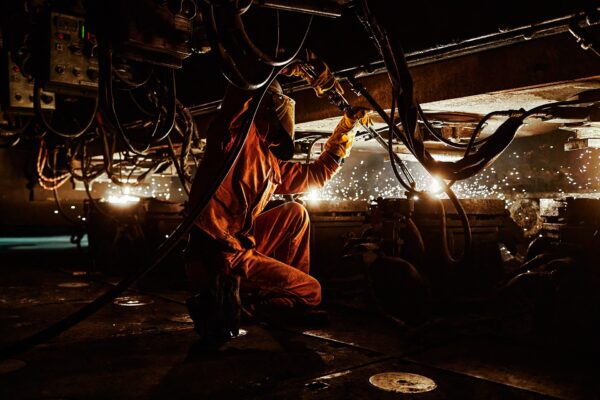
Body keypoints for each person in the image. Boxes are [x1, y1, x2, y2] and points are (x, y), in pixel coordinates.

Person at [185, 55, 369, 344]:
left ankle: (279, 297)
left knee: (296, 213)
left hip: (236, 247)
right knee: (313, 291)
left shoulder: (270, 164)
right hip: (216, 259)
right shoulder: (232, 138)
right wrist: (302, 65)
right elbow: (249, 74)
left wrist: (346, 131)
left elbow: (316, 174)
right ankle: (252, 304)